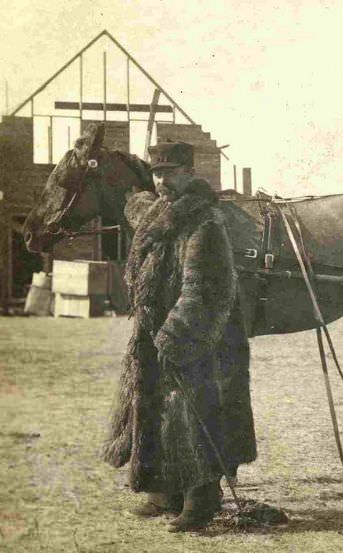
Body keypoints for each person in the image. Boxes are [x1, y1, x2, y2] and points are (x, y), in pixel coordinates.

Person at [100, 141, 256, 531]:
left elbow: (206, 289)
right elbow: (135, 207)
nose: (162, 180)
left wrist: (176, 335)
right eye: (157, 172)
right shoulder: (159, 213)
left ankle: (201, 501)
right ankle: (162, 491)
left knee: (196, 414)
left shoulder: (205, 222)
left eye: (170, 172)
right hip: (156, 335)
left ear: (189, 174)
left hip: (197, 338)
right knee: (155, 408)